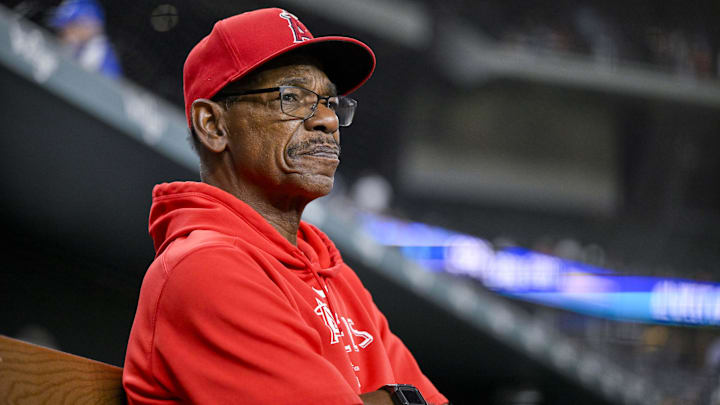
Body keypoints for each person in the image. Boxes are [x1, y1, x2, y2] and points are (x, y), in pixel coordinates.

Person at [122, 8, 449, 405]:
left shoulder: (337, 277)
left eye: (330, 101)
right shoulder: (204, 268)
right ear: (213, 125)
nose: (328, 119)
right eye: (292, 97)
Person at [49, 0, 121, 78]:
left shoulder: (103, 60)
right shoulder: (74, 49)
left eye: (73, 26)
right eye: (64, 27)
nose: (65, 32)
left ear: (90, 25)